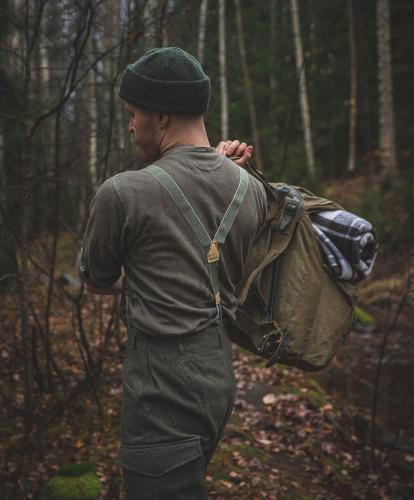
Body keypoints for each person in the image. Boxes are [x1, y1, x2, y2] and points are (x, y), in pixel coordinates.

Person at [77, 47, 267, 499]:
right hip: (218, 378)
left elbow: (95, 280)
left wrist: (144, 282)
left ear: (160, 117)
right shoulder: (251, 187)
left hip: (162, 391)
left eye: (133, 113)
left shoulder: (124, 192)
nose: (130, 125)